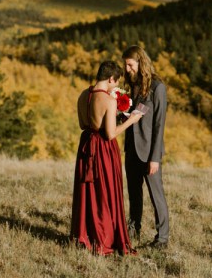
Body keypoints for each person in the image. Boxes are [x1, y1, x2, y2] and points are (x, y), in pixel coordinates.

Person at [71, 60, 143, 255]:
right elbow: (110, 134)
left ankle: (85, 235)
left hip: (86, 146)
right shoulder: (108, 100)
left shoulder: (83, 95)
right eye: (116, 82)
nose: (116, 86)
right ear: (111, 78)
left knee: (88, 192)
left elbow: (82, 124)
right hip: (103, 149)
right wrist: (131, 120)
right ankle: (104, 237)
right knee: (105, 191)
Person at [122, 45, 169, 248]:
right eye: (125, 65)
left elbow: (159, 124)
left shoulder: (157, 88)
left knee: (156, 194)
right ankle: (134, 229)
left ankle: (162, 238)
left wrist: (155, 157)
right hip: (131, 149)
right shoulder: (132, 85)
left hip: (149, 152)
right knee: (134, 193)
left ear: (141, 63)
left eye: (130, 65)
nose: (127, 69)